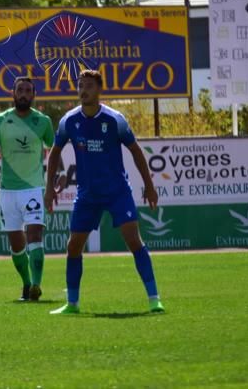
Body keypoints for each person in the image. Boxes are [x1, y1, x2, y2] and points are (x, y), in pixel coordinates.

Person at [44, 69, 165, 315]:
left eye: (89, 86)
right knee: (73, 246)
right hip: (87, 195)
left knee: (133, 240)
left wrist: (149, 187)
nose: (83, 90)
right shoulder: (69, 120)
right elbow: (55, 152)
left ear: (99, 90)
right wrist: (49, 188)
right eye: (80, 86)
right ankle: (72, 304)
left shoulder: (114, 119)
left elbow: (136, 152)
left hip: (117, 191)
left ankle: (154, 299)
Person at [0, 76, 54, 302]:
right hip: (8, 192)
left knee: (34, 234)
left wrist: (55, 177)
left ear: (33, 95)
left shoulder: (43, 122)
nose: (23, 94)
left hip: (33, 189)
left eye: (28, 90)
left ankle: (37, 286)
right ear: (13, 93)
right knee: (17, 243)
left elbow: (55, 150)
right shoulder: (1, 121)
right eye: (19, 90)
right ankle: (26, 284)